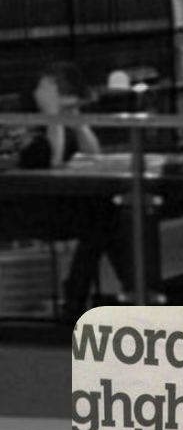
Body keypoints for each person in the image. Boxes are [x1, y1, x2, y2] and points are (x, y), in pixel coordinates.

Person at [12, 61, 133, 315]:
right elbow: (50, 162)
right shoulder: (23, 126)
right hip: (25, 207)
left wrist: (77, 121)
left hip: (61, 203)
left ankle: (82, 293)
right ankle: (129, 288)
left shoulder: (59, 127)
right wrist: (53, 116)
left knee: (107, 214)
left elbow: (93, 155)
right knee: (104, 218)